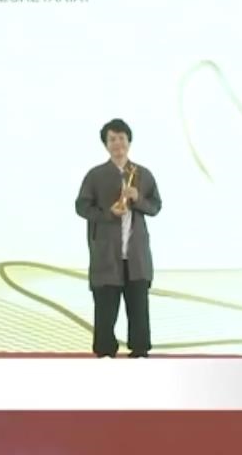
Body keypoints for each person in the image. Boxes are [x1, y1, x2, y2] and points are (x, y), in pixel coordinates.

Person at [74, 118, 162, 358]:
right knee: (105, 309)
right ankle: (105, 353)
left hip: (136, 256)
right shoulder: (96, 175)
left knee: (138, 308)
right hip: (106, 254)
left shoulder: (143, 174)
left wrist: (138, 199)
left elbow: (155, 206)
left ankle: (140, 351)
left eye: (122, 138)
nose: (117, 144)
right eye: (112, 139)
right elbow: (82, 207)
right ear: (105, 144)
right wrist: (108, 213)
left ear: (129, 141)